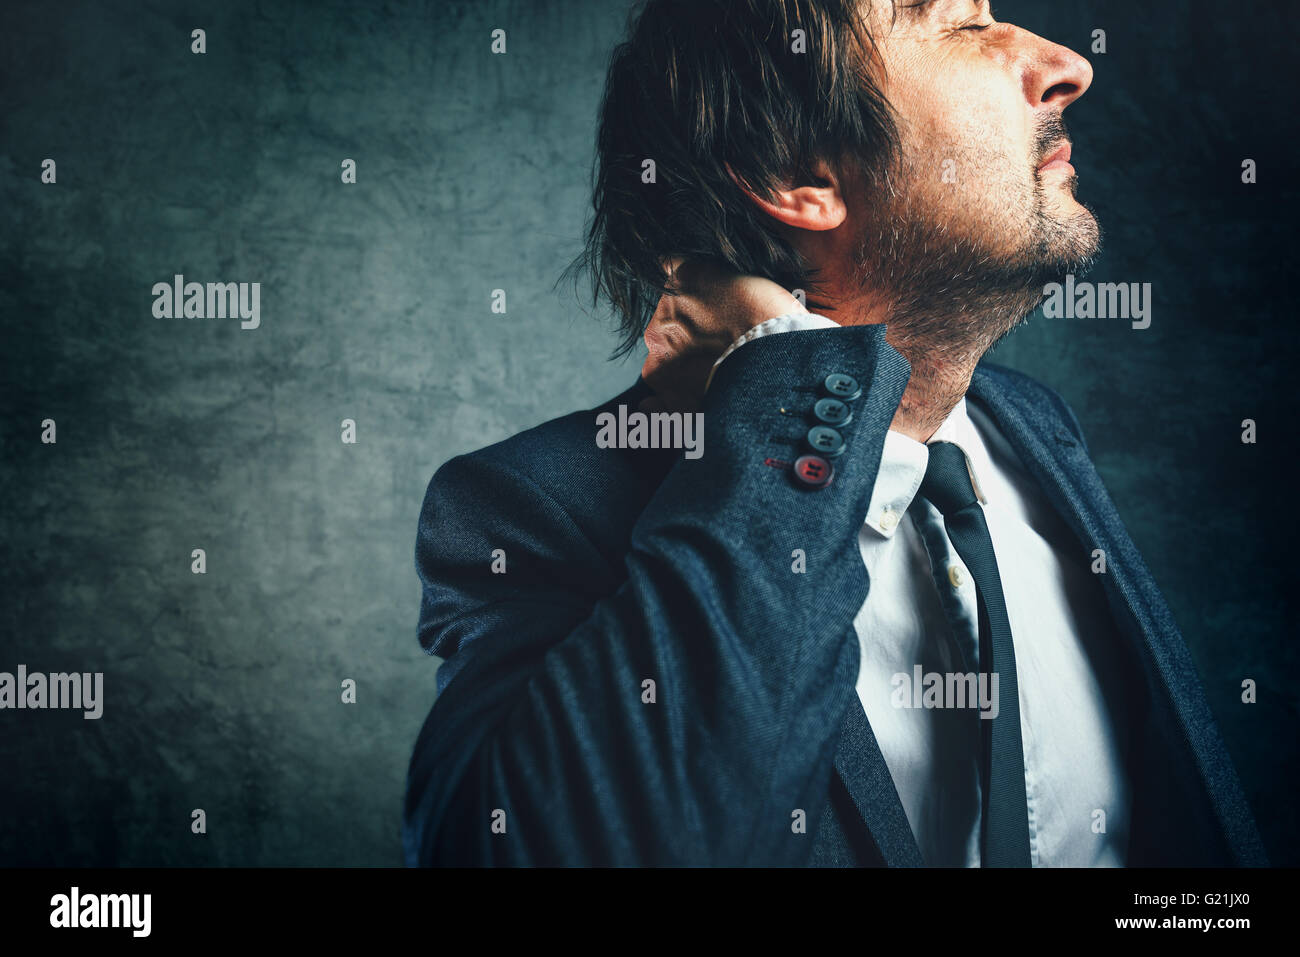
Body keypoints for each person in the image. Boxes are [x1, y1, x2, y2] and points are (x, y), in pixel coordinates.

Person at [403, 0, 1266, 866]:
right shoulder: (534, 510)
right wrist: (785, 373)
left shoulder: (1034, 431)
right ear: (795, 178)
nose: (1066, 65)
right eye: (964, 28)